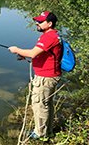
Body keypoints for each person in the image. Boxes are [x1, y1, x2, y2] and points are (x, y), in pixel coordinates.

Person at [8, 11, 62, 140]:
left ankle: (41, 134)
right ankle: (47, 131)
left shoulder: (49, 37)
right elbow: (40, 54)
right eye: (37, 21)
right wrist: (24, 55)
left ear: (49, 24)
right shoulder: (50, 35)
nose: (37, 23)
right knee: (46, 104)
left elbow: (33, 53)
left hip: (46, 78)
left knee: (39, 105)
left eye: (40, 21)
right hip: (48, 75)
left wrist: (16, 50)